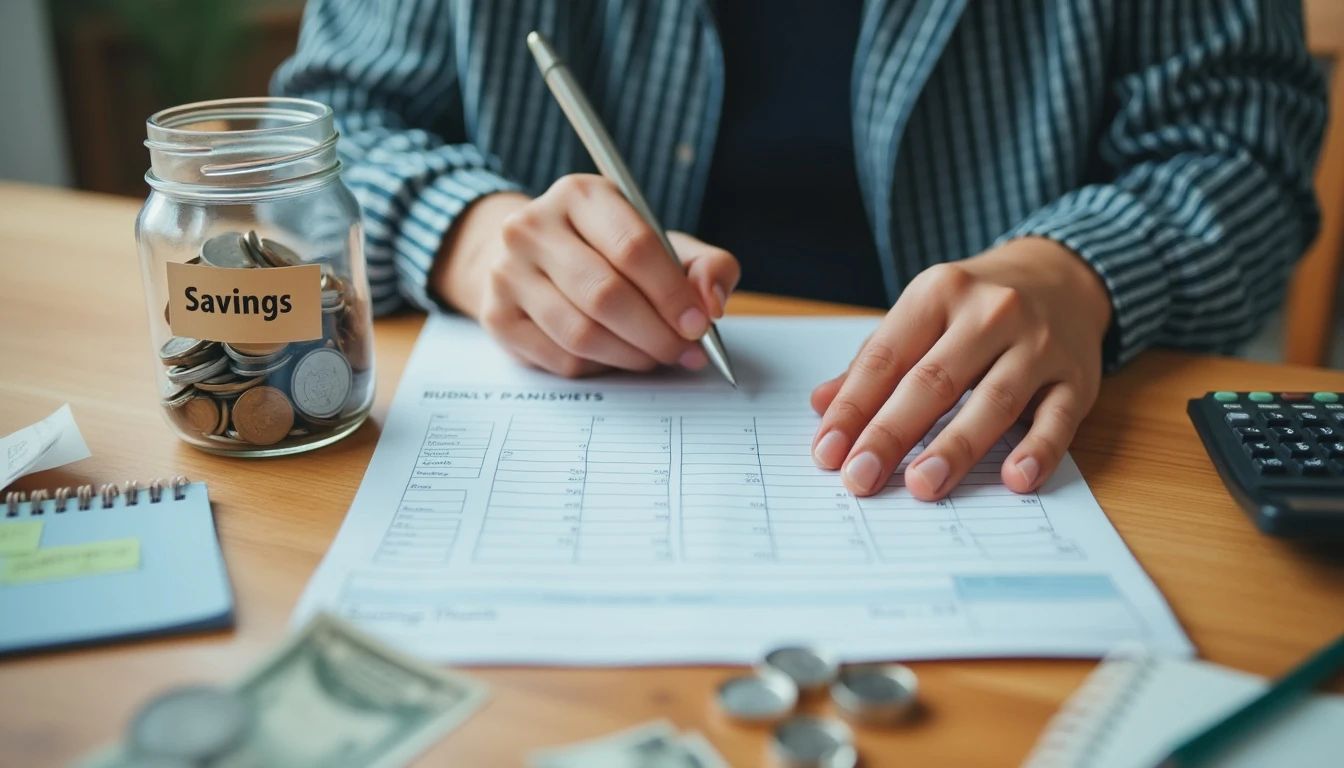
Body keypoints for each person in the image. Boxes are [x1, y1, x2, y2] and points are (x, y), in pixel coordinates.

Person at [273, 1, 1326, 501]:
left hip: (1061, 452)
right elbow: (326, 126)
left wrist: (1079, 274)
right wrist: (469, 232)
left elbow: (1247, 150)